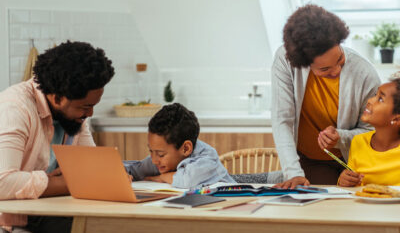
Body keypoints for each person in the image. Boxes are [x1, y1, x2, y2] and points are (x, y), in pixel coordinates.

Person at [0, 41, 115, 233]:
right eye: (85, 106)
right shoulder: (14, 109)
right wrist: (64, 183)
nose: (90, 113)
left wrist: (109, 177)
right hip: (13, 222)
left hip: (51, 212)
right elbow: (2, 183)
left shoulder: (74, 114)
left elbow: (93, 168)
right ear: (57, 98)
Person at [272, 4, 380, 188]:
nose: (337, 70)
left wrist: (341, 137)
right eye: (324, 69)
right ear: (304, 64)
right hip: (307, 162)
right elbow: (282, 119)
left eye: (339, 59)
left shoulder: (364, 73)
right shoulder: (285, 60)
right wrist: (293, 173)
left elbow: (375, 132)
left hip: (355, 165)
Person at [124, 103, 235, 188]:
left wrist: (161, 177)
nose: (154, 160)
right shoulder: (160, 161)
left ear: (186, 148)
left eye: (161, 154)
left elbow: (187, 179)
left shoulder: (208, 158)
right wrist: (122, 174)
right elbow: (134, 169)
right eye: (151, 151)